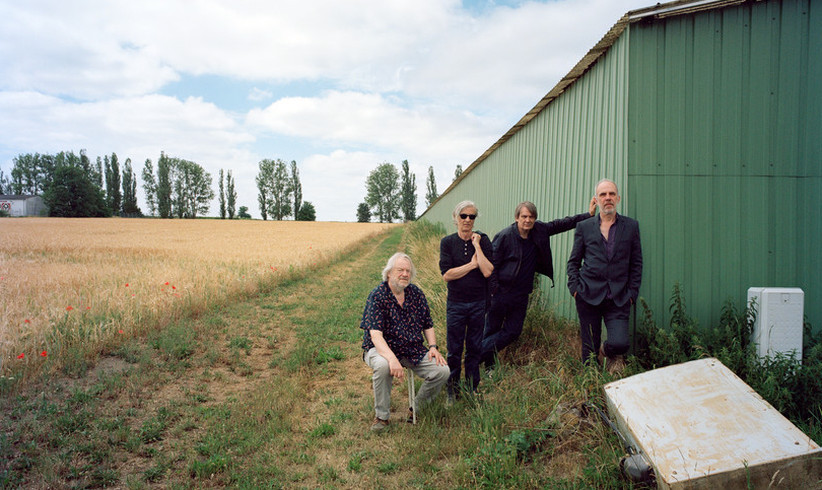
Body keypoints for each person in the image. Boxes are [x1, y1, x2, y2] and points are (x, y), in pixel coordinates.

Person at [481, 198, 596, 371]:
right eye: (524, 216)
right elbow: (492, 264)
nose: (528, 220)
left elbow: (562, 223)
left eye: (531, 217)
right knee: (491, 329)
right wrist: (494, 289)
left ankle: (474, 355)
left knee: (513, 331)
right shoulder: (505, 236)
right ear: (517, 217)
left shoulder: (539, 230)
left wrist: (588, 215)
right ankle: (488, 366)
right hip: (501, 292)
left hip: (521, 294)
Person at [360, 252, 449, 432]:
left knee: (442, 371)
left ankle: (416, 409)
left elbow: (428, 324)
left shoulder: (416, 294)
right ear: (389, 273)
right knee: (384, 366)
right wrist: (392, 359)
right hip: (380, 349)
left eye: (408, 271)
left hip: (411, 348)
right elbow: (376, 336)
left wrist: (432, 347)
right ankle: (382, 417)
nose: (405, 274)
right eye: (400, 270)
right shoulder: (377, 296)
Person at [567, 179, 643, 374]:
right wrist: (575, 289)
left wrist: (632, 292)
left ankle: (606, 350)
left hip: (618, 297)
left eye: (611, 194)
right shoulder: (584, 227)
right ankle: (591, 389)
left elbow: (636, 263)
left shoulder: (631, 226)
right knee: (589, 351)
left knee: (620, 343)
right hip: (588, 295)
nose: (607, 198)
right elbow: (574, 261)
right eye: (603, 194)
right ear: (596, 200)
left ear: (618, 198)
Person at [440, 201, 494, 399]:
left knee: (474, 348)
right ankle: (452, 390)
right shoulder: (447, 243)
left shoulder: (483, 240)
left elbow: (488, 271)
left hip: (478, 304)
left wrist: (477, 246)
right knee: (454, 350)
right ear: (456, 218)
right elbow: (447, 274)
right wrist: (471, 266)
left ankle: (472, 389)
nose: (468, 220)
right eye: (464, 216)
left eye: (472, 216)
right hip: (456, 304)